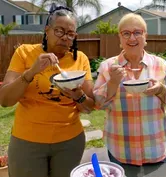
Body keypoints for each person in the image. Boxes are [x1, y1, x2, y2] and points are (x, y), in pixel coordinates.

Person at [0, 6, 95, 177]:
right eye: (59, 31)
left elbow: (89, 106)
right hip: (27, 141)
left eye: (70, 34)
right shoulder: (25, 53)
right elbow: (5, 100)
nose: (65, 37)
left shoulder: (80, 59)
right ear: (47, 31)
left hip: (70, 142)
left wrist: (78, 95)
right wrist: (31, 72)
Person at [93, 13, 166, 166]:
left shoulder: (160, 64)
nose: (132, 38)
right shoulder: (107, 67)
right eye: (126, 33)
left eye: (137, 33)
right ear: (120, 39)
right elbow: (97, 104)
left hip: (156, 148)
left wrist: (161, 90)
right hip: (120, 150)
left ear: (145, 36)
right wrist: (113, 83)